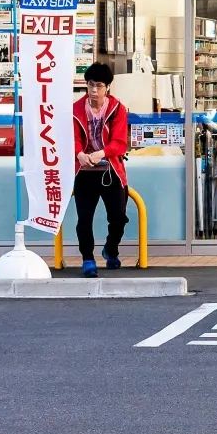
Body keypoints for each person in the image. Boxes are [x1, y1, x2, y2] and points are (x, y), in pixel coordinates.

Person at [72, 62, 131, 277]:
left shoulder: (117, 108)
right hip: (84, 173)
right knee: (84, 219)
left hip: (110, 171)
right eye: (90, 85)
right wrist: (79, 154)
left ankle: (111, 249)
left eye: (98, 86)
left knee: (118, 217)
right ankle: (87, 259)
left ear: (107, 87)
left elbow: (119, 143)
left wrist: (101, 153)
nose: (94, 90)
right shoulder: (76, 109)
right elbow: (72, 139)